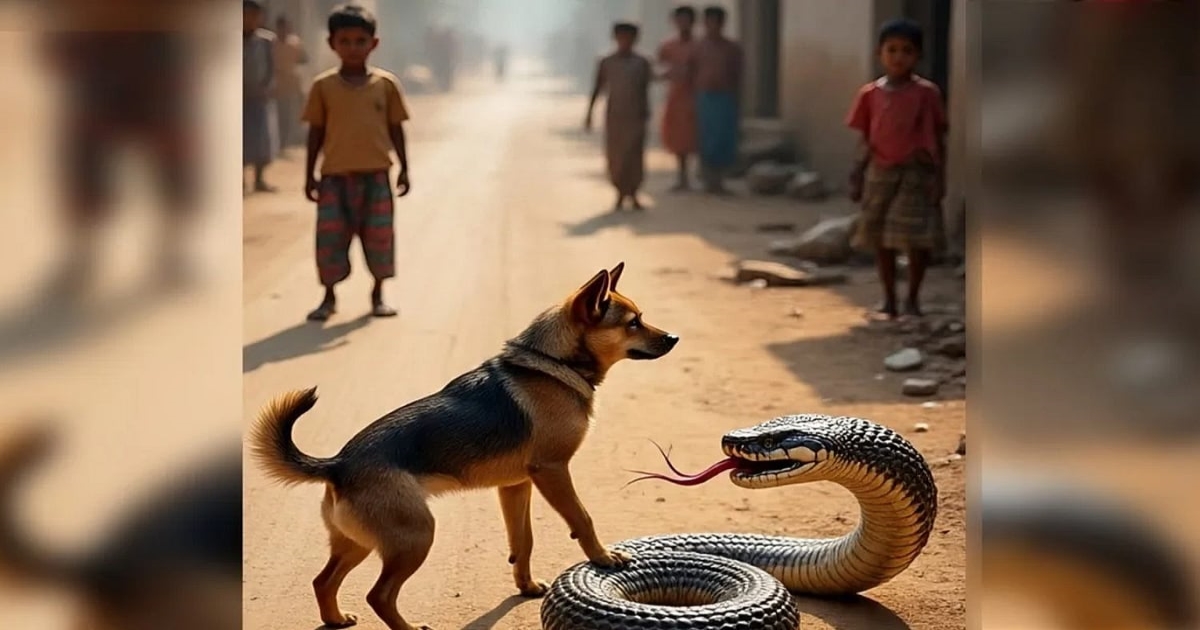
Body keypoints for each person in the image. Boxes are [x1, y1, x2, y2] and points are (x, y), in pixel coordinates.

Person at [302, 4, 412, 321]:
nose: (353, 48)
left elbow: (396, 128)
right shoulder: (323, 87)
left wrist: (404, 168)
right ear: (332, 44)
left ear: (373, 43)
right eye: (345, 41)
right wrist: (309, 175)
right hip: (334, 179)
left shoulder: (386, 85)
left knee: (379, 238)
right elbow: (316, 132)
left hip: (376, 177)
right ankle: (328, 297)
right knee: (330, 240)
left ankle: (378, 294)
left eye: (360, 41)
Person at [845, 19, 947, 319]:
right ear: (879, 53)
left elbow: (938, 137)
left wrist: (940, 177)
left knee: (916, 237)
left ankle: (912, 298)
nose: (898, 57)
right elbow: (866, 137)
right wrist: (857, 172)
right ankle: (889, 298)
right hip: (880, 170)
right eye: (892, 50)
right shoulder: (870, 94)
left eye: (907, 51)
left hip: (916, 171)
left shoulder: (927, 93)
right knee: (880, 237)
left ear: (918, 56)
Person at [585, 22, 653, 211]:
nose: (625, 41)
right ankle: (620, 192)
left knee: (635, 156)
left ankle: (634, 192)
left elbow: (645, 89)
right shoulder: (606, 62)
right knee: (616, 155)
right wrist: (589, 113)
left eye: (629, 38)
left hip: (636, 116)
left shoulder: (642, 63)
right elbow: (597, 88)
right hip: (614, 116)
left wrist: (646, 113)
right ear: (615, 38)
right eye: (621, 37)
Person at [691, 6, 743, 194]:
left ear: (722, 24)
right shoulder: (697, 47)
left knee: (723, 139)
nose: (712, 26)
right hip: (704, 97)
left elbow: (737, 74)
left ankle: (719, 181)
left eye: (716, 22)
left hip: (725, 97)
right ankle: (708, 179)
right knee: (706, 138)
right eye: (709, 22)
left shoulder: (732, 48)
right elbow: (691, 71)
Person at [657, 6, 698, 192]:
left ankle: (703, 174)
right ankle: (682, 176)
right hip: (676, 96)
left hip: (696, 96)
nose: (683, 24)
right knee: (677, 137)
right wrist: (670, 73)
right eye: (680, 20)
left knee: (697, 135)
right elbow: (659, 70)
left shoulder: (699, 46)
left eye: (686, 20)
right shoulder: (667, 46)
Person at [244, 0, 278, 193]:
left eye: (254, 15)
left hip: (259, 95)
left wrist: (267, 87)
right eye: (246, 15)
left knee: (261, 139)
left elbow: (271, 67)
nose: (250, 19)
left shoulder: (266, 41)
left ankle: (259, 179)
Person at [273, 14, 309, 148]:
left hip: (292, 85)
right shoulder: (272, 43)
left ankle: (286, 142)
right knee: (277, 115)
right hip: (275, 86)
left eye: (286, 27)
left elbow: (304, 59)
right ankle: (278, 142)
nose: (284, 30)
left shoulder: (295, 43)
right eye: (281, 27)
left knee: (289, 115)